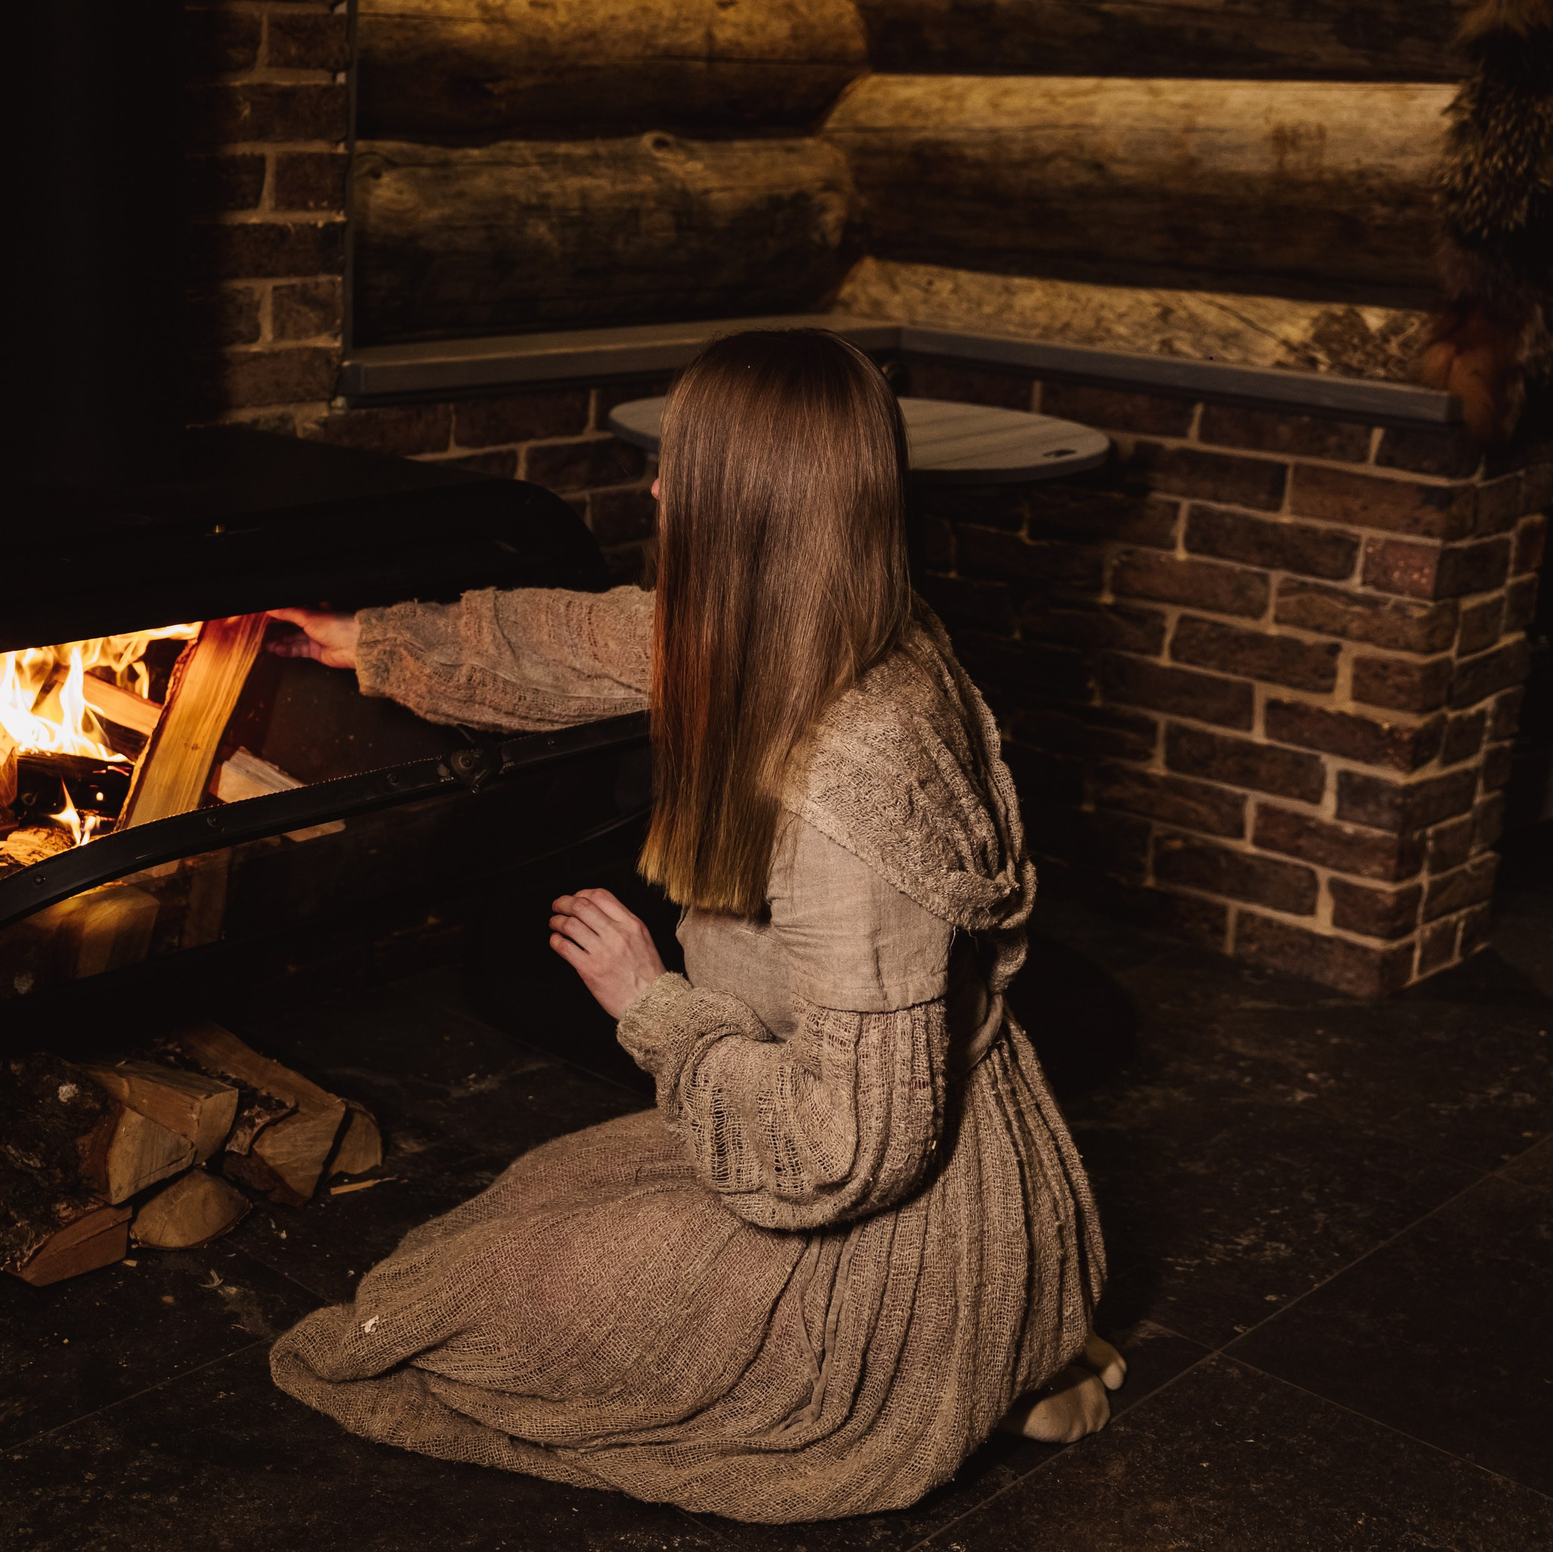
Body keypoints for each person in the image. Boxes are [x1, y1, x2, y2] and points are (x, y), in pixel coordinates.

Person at [258, 328, 1115, 1524]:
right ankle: (1019, 1355)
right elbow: (593, 640)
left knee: (425, 1329)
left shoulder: (844, 785)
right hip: (843, 1106)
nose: (655, 487)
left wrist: (648, 1002)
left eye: (683, 463)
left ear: (754, 495)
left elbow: (847, 1152)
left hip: (891, 1237)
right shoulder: (827, 619)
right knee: (488, 1233)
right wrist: (375, 646)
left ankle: (978, 1364)